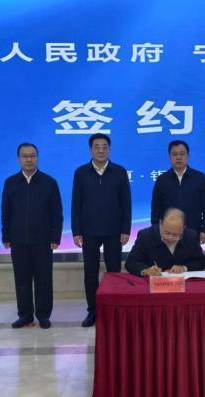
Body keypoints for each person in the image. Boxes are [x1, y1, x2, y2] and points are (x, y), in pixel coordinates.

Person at [71, 133, 131, 327]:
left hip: (114, 231)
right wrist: (76, 231)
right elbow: (76, 204)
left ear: (109, 149)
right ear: (90, 150)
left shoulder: (119, 172)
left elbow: (126, 203)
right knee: (90, 274)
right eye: (97, 147)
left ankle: (114, 310)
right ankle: (93, 311)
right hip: (89, 231)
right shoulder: (81, 173)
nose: (101, 150)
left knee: (114, 272)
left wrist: (125, 229)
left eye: (104, 146)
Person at [1, 142, 63, 329]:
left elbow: (57, 213)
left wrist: (55, 237)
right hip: (18, 240)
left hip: (43, 241)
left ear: (37, 157)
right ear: (19, 159)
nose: (29, 159)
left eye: (32, 155)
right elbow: (6, 212)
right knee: (22, 280)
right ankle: (25, 315)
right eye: (25, 156)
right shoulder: (11, 182)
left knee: (44, 280)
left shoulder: (49, 182)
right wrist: (6, 236)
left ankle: (43, 315)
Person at [150, 140, 205, 244]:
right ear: (169, 157)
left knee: (192, 255)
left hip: (193, 231)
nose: (178, 157)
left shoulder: (199, 178)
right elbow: (156, 208)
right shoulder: (162, 180)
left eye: (182, 154)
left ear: (188, 156)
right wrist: (156, 230)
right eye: (174, 154)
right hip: (168, 233)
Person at [126, 208, 205, 276]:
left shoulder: (191, 236)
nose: (170, 238)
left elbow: (201, 262)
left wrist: (183, 268)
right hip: (153, 284)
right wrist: (145, 270)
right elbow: (131, 262)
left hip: (182, 283)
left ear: (183, 228)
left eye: (176, 235)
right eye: (167, 233)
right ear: (160, 223)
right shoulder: (146, 236)